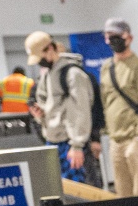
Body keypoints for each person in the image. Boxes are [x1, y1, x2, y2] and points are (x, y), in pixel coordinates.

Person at [25, 30, 97, 183]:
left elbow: (82, 111)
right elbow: (49, 105)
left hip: (70, 145)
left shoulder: (73, 74)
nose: (40, 62)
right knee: (64, 193)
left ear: (50, 48)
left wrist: (77, 145)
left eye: (41, 57)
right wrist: (40, 115)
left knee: (80, 194)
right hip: (53, 142)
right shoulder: (47, 75)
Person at [98, 19, 138, 199]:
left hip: (136, 140)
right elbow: (106, 102)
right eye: (109, 37)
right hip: (116, 139)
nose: (112, 41)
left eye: (117, 36)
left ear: (128, 37)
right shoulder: (106, 67)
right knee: (123, 194)